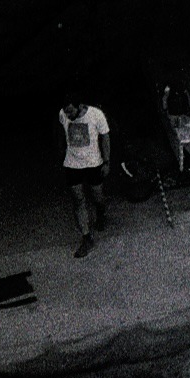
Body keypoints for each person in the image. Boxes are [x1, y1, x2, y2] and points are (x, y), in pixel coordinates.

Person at [58, 98, 110, 258]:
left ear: (79, 106)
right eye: (66, 111)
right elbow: (60, 134)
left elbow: (105, 138)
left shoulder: (96, 115)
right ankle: (87, 238)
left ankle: (101, 213)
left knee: (98, 197)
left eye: (71, 112)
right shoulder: (62, 114)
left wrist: (106, 162)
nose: (68, 115)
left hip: (93, 163)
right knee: (78, 200)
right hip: (72, 164)